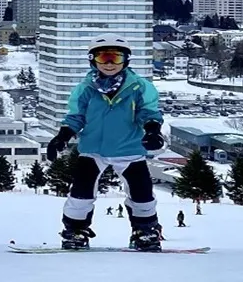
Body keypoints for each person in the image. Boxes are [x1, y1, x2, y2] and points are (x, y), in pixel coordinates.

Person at [46, 33, 165, 252]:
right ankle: (75, 230)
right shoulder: (85, 88)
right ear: (93, 60)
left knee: (142, 194)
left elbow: (149, 111)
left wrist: (153, 130)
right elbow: (76, 116)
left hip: (129, 148)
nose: (109, 64)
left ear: (126, 61)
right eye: (103, 59)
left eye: (115, 58)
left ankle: (145, 230)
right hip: (93, 150)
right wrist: (62, 137)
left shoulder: (139, 87)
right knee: (80, 193)